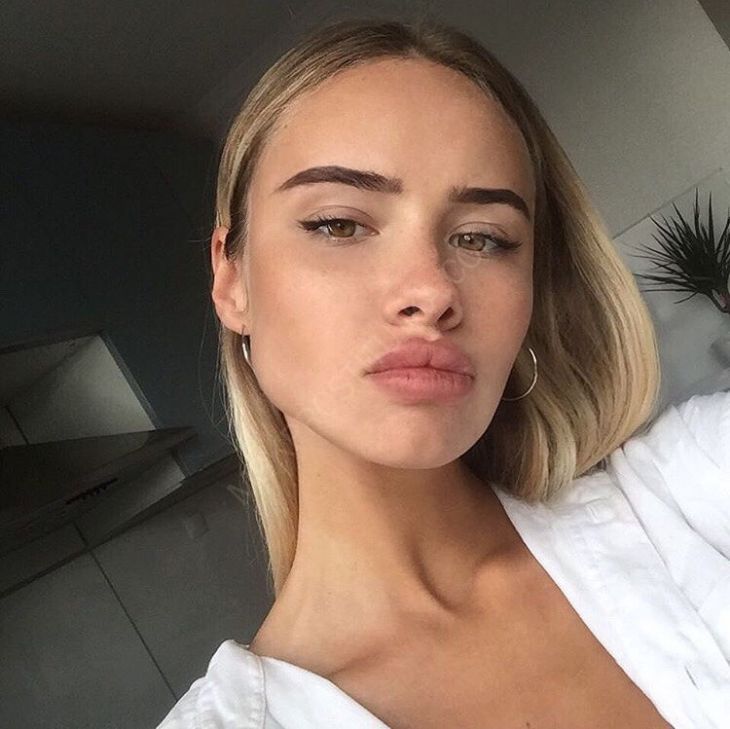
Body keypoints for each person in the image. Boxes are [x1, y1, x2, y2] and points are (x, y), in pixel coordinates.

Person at [157, 16, 730, 729]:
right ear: (232, 280)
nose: (430, 290)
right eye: (338, 223)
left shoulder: (689, 500)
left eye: (482, 238)